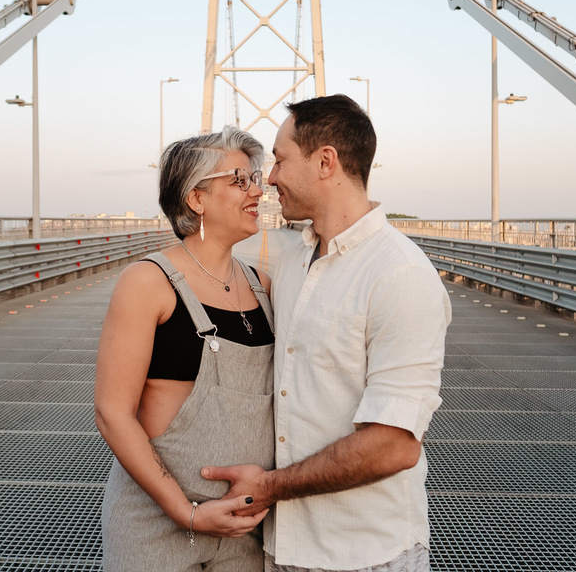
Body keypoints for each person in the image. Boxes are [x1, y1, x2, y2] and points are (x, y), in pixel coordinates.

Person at [201, 95, 452, 572]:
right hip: (282, 547)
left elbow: (395, 444)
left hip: (365, 554)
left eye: (280, 160)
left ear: (325, 161)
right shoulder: (294, 259)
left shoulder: (399, 275)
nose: (270, 178)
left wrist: (269, 487)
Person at [94, 125, 276, 572]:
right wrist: (187, 514)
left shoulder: (263, 285)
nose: (258, 191)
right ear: (196, 199)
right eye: (240, 180)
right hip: (157, 528)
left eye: (255, 178)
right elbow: (112, 413)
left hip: (244, 530)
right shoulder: (148, 282)